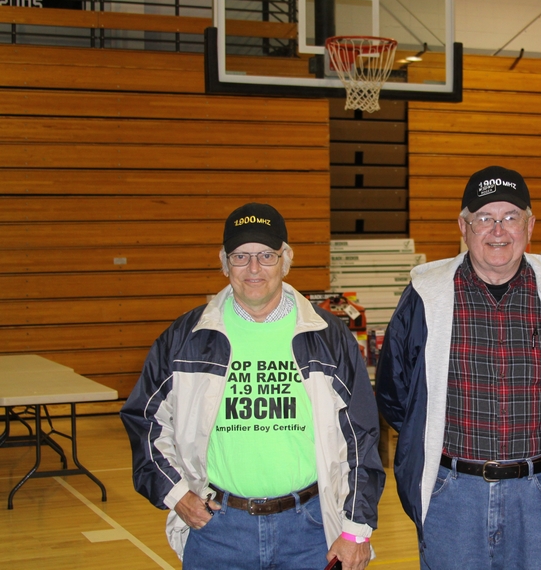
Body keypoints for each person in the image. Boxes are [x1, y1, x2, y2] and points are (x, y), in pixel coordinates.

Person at [120, 203, 385, 570]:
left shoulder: (328, 337)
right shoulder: (186, 338)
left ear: (285, 260)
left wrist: (356, 529)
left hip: (311, 532)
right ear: (225, 263)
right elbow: (143, 420)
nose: (254, 268)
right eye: (241, 256)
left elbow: (362, 437)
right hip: (218, 531)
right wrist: (177, 494)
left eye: (266, 255)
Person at [375, 166, 541, 569]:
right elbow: (395, 392)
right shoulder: (426, 294)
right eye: (484, 218)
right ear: (464, 227)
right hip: (451, 496)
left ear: (530, 226)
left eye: (511, 217)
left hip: (540, 495)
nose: (498, 230)